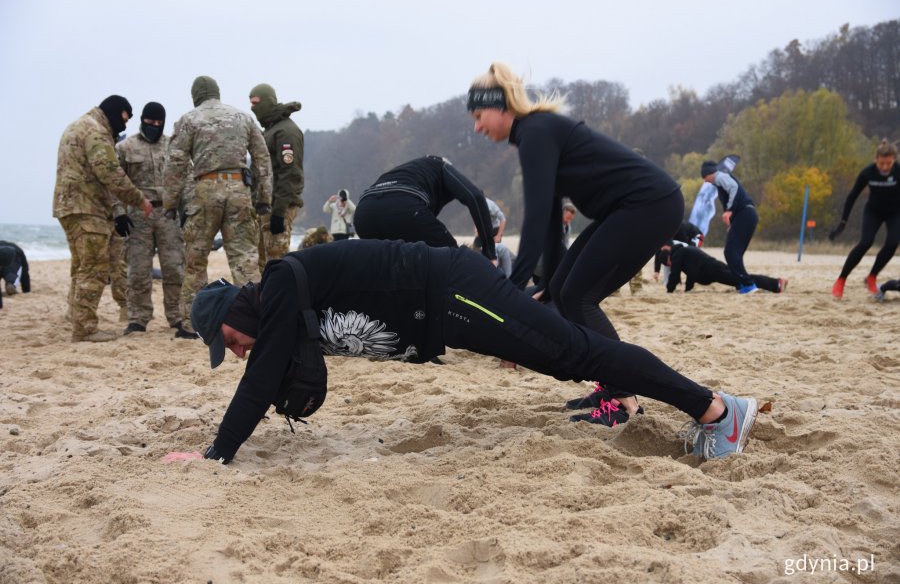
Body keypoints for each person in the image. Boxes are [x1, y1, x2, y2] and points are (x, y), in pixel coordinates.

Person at [167, 239, 758, 465]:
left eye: (230, 344)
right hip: (453, 311)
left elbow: (261, 375)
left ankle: (717, 410)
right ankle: (711, 409)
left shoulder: (277, 289)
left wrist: (216, 453)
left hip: (455, 293)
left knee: (579, 355)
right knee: (572, 356)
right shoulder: (283, 302)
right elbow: (273, 371)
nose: (239, 355)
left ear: (234, 317)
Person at [467, 62, 683, 415]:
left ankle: (623, 398)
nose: (476, 127)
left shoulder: (536, 131)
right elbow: (551, 223)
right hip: (632, 207)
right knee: (566, 292)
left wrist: (509, 290)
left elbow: (535, 219)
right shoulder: (536, 132)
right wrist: (548, 284)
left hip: (649, 204)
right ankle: (612, 387)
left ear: (501, 105)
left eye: (479, 115)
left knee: (579, 297)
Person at [163, 76, 273, 337]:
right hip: (239, 190)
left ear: (196, 95)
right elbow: (262, 160)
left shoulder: (189, 120)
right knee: (245, 258)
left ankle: (191, 324)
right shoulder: (243, 117)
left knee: (196, 260)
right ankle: (257, 317)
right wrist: (263, 199)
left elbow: (175, 164)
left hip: (204, 190)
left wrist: (170, 202)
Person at [53, 95, 153, 342]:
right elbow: (110, 172)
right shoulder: (96, 131)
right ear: (116, 112)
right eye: (125, 118)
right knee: (94, 268)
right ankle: (85, 328)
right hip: (88, 209)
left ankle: (75, 315)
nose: (126, 125)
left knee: (80, 266)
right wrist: (139, 199)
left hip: (70, 207)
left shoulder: (79, 125)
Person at [116, 101, 190, 337]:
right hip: (139, 214)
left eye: (159, 123)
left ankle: (177, 317)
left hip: (169, 214)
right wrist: (119, 213)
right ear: (142, 121)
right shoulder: (126, 147)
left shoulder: (174, 147)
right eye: (150, 122)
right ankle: (138, 318)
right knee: (138, 269)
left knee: (175, 269)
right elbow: (115, 183)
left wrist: (188, 209)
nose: (154, 126)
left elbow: (186, 180)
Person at [353, 155, 498, 263]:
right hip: (404, 206)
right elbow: (475, 197)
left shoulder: (409, 171)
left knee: (392, 268)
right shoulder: (441, 165)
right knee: (453, 260)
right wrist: (490, 253)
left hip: (363, 214)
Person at [829, 140, 900, 300]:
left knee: (892, 243)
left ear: (894, 160)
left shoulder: (898, 172)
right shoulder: (867, 173)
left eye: (888, 163)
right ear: (876, 159)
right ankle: (841, 280)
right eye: (881, 163)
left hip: (895, 213)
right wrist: (843, 222)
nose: (884, 167)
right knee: (865, 242)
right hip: (873, 211)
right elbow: (852, 196)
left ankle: (872, 277)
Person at [248, 83, 305, 274]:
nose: (252, 107)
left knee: (277, 263)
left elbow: (290, 174)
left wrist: (279, 212)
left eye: (256, 102)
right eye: (251, 103)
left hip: (278, 206)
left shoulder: (285, 132)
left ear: (268, 101)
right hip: (265, 205)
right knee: (264, 265)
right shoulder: (271, 130)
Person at [700, 158, 759, 294]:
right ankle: (742, 285)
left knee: (730, 252)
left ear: (710, 174)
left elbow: (734, 187)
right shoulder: (719, 180)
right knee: (735, 253)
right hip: (747, 215)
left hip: (745, 214)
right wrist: (731, 223)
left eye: (705, 177)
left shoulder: (720, 177)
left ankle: (748, 284)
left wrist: (729, 210)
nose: (705, 181)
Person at [660, 243, 787, 294]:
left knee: (743, 279)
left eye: (668, 265)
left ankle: (776, 284)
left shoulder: (678, 255)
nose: (670, 267)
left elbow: (674, 275)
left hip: (713, 270)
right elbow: (691, 273)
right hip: (714, 267)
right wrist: (688, 289)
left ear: (668, 259)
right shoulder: (684, 251)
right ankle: (775, 284)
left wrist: (669, 291)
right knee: (741, 278)